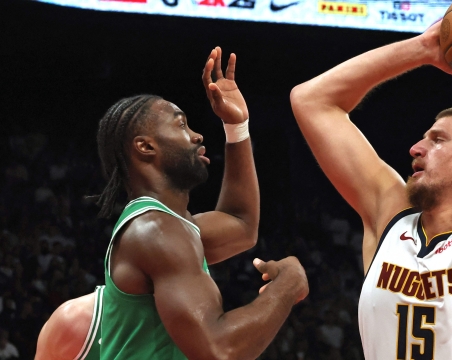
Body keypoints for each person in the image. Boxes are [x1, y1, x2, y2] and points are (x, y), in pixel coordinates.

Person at [290, 5, 452, 359]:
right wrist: (424, 48)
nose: (416, 148)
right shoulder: (391, 219)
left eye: (437, 140)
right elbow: (311, 101)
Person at [35, 47, 308, 360]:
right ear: (146, 146)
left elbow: (242, 224)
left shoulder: (171, 228)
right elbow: (220, 350)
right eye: (181, 125)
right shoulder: (156, 231)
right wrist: (288, 284)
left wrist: (237, 128)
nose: (196, 136)